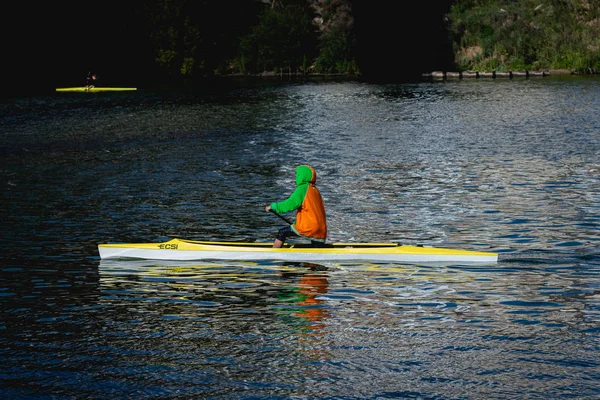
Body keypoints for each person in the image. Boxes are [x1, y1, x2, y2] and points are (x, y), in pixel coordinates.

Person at [265, 164, 327, 248]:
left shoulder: (303, 189)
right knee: (317, 248)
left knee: (282, 232)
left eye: (297, 174)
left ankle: (273, 253)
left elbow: (290, 204)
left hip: (308, 227)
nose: (296, 177)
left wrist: (274, 207)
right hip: (321, 229)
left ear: (302, 176)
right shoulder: (315, 190)